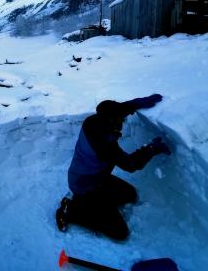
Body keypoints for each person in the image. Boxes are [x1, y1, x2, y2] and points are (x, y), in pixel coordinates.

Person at [56, 94, 171, 240]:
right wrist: (152, 149)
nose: (123, 121)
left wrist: (138, 102)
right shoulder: (103, 145)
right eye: (120, 120)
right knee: (120, 233)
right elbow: (130, 164)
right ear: (111, 122)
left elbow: (118, 110)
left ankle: (101, 206)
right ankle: (71, 210)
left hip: (97, 178)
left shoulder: (95, 121)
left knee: (130, 195)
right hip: (85, 186)